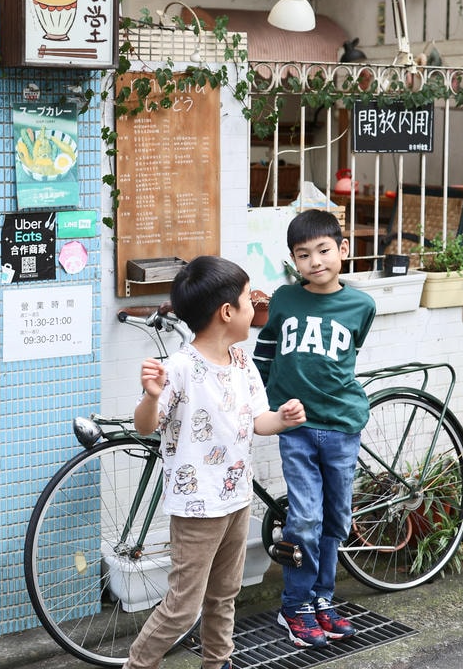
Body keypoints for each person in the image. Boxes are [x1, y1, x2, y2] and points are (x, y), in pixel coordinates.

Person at [128, 255, 306, 669]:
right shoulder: (179, 369)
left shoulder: (243, 363)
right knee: (182, 608)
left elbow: (257, 421)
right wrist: (152, 396)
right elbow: (144, 427)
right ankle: (137, 664)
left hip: (236, 499)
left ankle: (218, 662)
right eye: (249, 299)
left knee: (224, 595)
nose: (255, 305)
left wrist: (281, 419)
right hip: (196, 508)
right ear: (227, 312)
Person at [252, 210, 376, 649]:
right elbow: (264, 356)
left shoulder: (362, 306)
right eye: (304, 255)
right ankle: (295, 605)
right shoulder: (285, 299)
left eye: (324, 250)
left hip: (342, 426)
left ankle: (323, 598)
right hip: (297, 428)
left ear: (342, 250)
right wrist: (262, 404)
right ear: (293, 260)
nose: (315, 261)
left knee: (336, 519)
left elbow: (346, 360)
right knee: (304, 518)